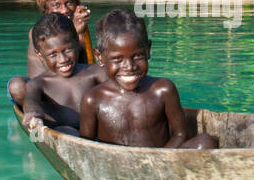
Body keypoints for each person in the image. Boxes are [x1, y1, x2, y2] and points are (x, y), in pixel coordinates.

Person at [79, 9, 218, 150]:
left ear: (148, 50)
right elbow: (85, 147)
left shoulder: (163, 90)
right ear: (99, 57)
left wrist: (157, 162)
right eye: (117, 59)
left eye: (137, 56)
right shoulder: (93, 99)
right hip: (114, 166)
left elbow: (181, 134)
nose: (129, 67)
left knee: (206, 142)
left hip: (161, 164)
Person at [7, 0, 93, 112]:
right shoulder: (38, 32)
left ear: (77, 3)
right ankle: (41, 117)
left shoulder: (79, 26)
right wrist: (77, 34)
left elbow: (85, 71)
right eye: (56, 5)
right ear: (47, 9)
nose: (65, 10)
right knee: (17, 85)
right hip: (44, 93)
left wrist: (81, 35)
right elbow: (59, 70)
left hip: (71, 89)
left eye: (69, 3)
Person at [17, 14, 107, 135]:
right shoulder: (38, 83)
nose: (63, 59)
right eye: (53, 55)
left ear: (76, 42)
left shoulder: (94, 72)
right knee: (65, 131)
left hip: (95, 131)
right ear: (39, 55)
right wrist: (34, 114)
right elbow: (31, 100)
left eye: (68, 50)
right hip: (63, 131)